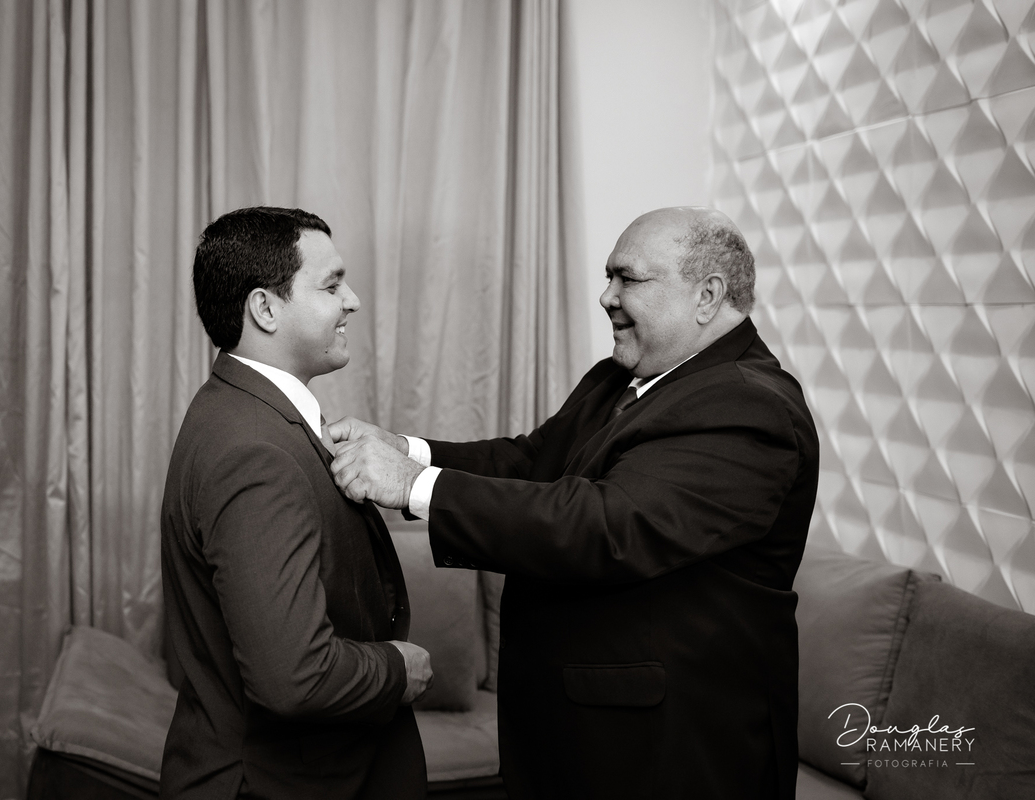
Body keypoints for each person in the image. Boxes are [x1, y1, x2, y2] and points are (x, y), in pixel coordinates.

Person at [329, 207, 819, 799]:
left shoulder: (749, 405)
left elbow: (608, 525)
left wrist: (413, 485)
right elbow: (532, 461)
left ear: (707, 295)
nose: (606, 296)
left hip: (667, 750)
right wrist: (407, 450)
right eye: (608, 276)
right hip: (579, 732)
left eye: (627, 278)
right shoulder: (619, 376)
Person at [160, 206, 432, 799]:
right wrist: (396, 669)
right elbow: (293, 675)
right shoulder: (254, 450)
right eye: (332, 286)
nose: (352, 301)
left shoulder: (245, 413)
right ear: (265, 309)